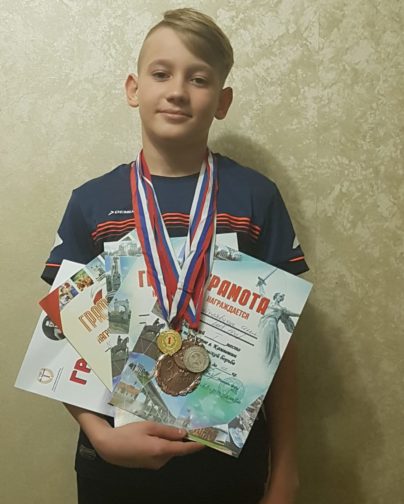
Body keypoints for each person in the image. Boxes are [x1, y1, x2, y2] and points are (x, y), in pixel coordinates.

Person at [41, 8, 308, 504]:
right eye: (161, 73)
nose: (178, 90)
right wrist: (100, 437)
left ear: (222, 101)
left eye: (199, 79)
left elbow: (282, 343)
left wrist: (287, 467)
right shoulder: (92, 203)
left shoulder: (255, 198)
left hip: (229, 458)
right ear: (133, 88)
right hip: (115, 457)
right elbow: (62, 336)